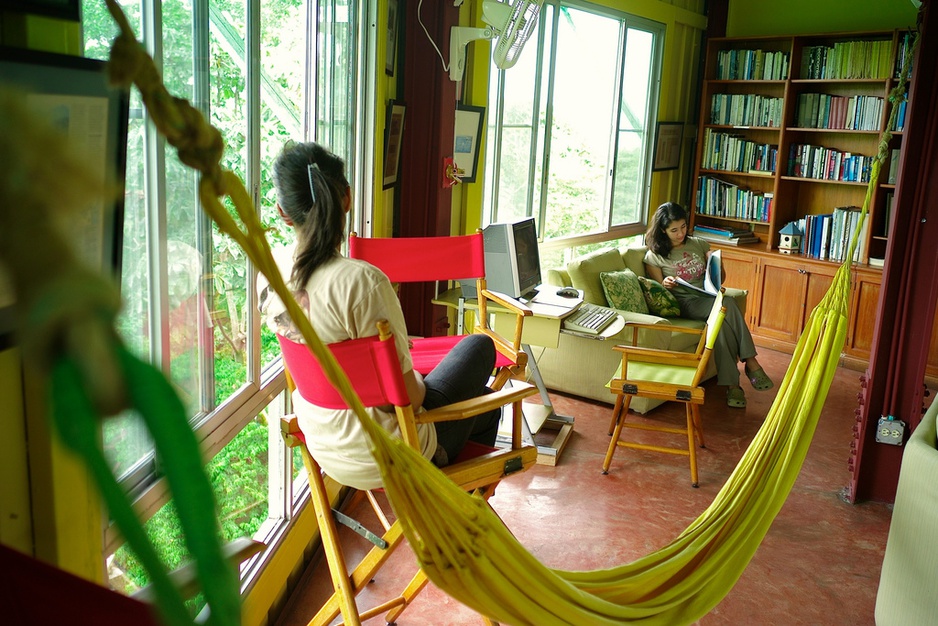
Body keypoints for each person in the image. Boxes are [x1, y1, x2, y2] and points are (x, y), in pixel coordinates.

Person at [257, 141, 500, 490]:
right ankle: (451, 508)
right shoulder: (363, 282)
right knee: (479, 347)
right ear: (348, 199)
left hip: (324, 446)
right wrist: (410, 371)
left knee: (487, 405)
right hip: (389, 454)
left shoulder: (270, 273)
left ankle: (452, 509)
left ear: (282, 211)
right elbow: (409, 398)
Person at [643, 202, 773, 408]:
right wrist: (665, 283)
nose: (680, 234)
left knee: (719, 326)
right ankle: (751, 361)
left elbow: (719, 279)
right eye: (674, 230)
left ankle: (733, 386)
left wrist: (717, 264)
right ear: (662, 230)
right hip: (684, 302)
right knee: (726, 303)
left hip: (707, 296)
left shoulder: (699, 244)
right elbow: (658, 288)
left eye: (683, 227)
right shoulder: (654, 255)